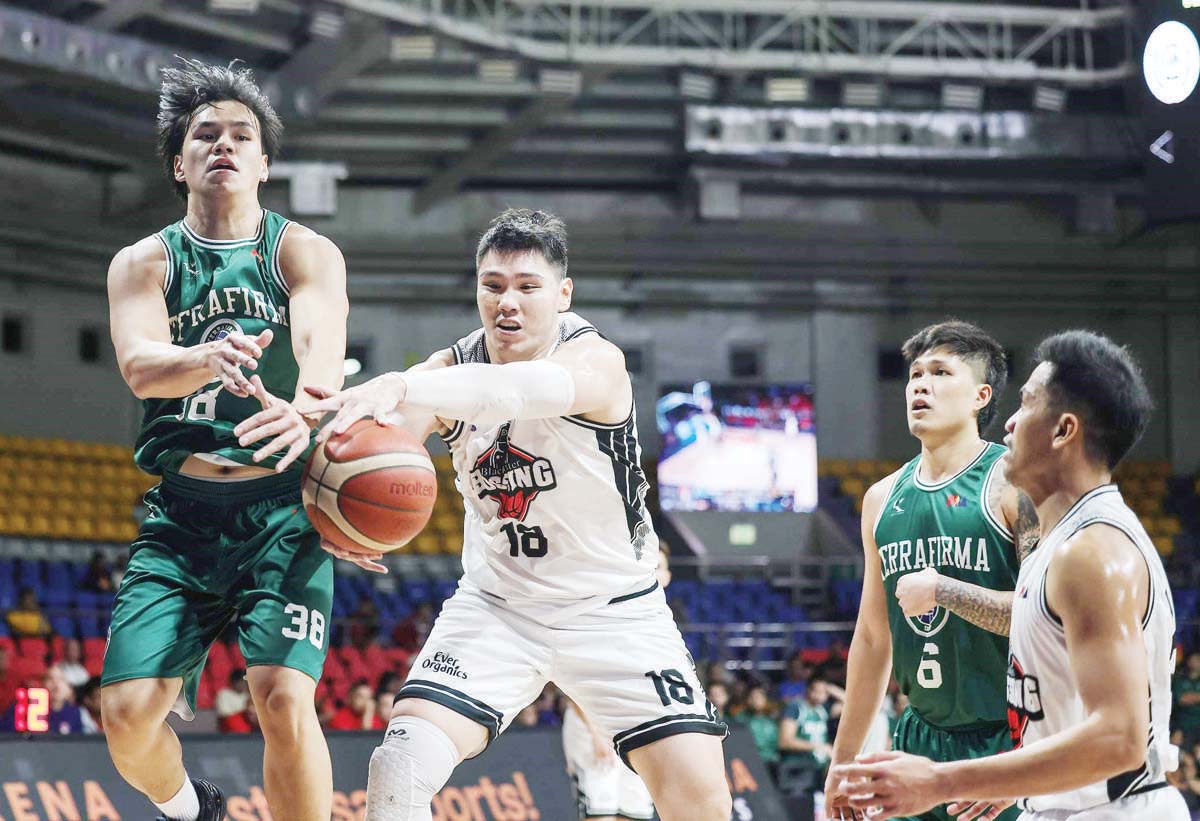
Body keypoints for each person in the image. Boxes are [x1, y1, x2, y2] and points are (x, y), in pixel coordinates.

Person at [275, 208, 730, 821]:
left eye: (526, 286)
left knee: (701, 802)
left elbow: (512, 390)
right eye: (492, 286)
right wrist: (336, 506)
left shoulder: (596, 363)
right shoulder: (448, 368)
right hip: (499, 609)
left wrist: (406, 386)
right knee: (398, 766)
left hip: (615, 611)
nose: (506, 302)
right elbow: (381, 446)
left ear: (563, 294)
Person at [101, 58, 348, 821]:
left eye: (242, 134)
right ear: (180, 163)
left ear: (265, 164)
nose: (224, 145)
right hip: (183, 516)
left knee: (279, 697)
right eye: (206, 133)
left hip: (282, 509)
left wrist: (307, 409)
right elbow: (142, 368)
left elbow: (320, 349)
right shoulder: (144, 262)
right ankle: (190, 809)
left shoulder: (302, 251)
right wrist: (206, 355)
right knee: (127, 715)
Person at [833, 330, 1188, 820]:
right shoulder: (1070, 539)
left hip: (1104, 804)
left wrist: (948, 778)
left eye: (1025, 405)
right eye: (916, 374)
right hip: (1041, 786)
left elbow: (1118, 739)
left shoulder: (1092, 551)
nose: (1011, 423)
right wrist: (1014, 773)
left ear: (1063, 431)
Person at [826, 321, 1039, 821]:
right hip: (917, 739)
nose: (920, 384)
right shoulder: (881, 498)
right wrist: (844, 762)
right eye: (915, 373)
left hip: (1010, 736)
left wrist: (944, 590)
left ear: (980, 396)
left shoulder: (1016, 483)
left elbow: (1045, 619)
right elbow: (874, 638)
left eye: (941, 372)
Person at [1174, 651, 1200, 748]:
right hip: (1183, 723)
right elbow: (1181, 699)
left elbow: (1186, 698)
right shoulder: (1179, 679)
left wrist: (1191, 697)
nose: (1199, 661)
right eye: (1196, 659)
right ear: (1188, 661)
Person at [214, 669, 253, 734]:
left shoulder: (247, 695)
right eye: (241, 682)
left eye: (245, 682)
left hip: (246, 730)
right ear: (234, 681)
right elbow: (224, 713)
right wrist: (244, 710)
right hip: (229, 730)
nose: (243, 685)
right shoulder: (224, 694)